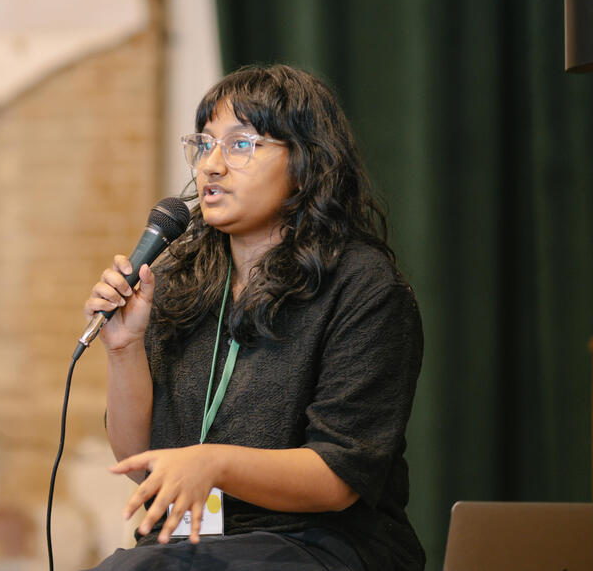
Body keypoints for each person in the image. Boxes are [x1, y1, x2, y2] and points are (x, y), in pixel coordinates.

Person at [82, 65, 424, 571]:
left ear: (307, 162)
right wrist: (124, 348)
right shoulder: (178, 278)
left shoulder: (363, 286)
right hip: (190, 544)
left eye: (241, 144)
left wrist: (214, 462)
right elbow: (141, 460)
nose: (211, 166)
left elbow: (338, 476)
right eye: (204, 145)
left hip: (322, 544)